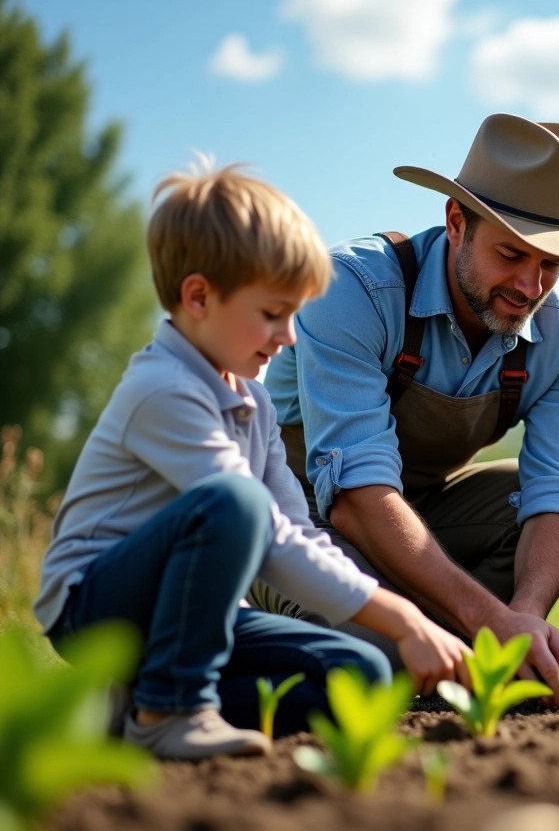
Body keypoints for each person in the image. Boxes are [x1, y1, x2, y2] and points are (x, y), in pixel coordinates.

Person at [33, 162, 471, 761]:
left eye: (295, 314)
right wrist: (403, 616)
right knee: (237, 502)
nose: (288, 336)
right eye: (272, 313)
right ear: (198, 297)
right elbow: (261, 532)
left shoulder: (252, 401)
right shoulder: (163, 391)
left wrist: (392, 626)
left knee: (362, 672)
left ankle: (125, 711)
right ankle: (169, 711)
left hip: (196, 616)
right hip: (99, 603)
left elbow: (297, 533)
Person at [257, 113, 559, 701]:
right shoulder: (352, 292)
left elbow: (556, 490)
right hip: (301, 515)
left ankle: (436, 635)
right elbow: (358, 500)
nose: (531, 287)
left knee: (546, 501)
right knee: (375, 663)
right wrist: (490, 621)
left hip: (420, 516)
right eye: (512, 254)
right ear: (456, 220)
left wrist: (526, 614)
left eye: (551, 264)